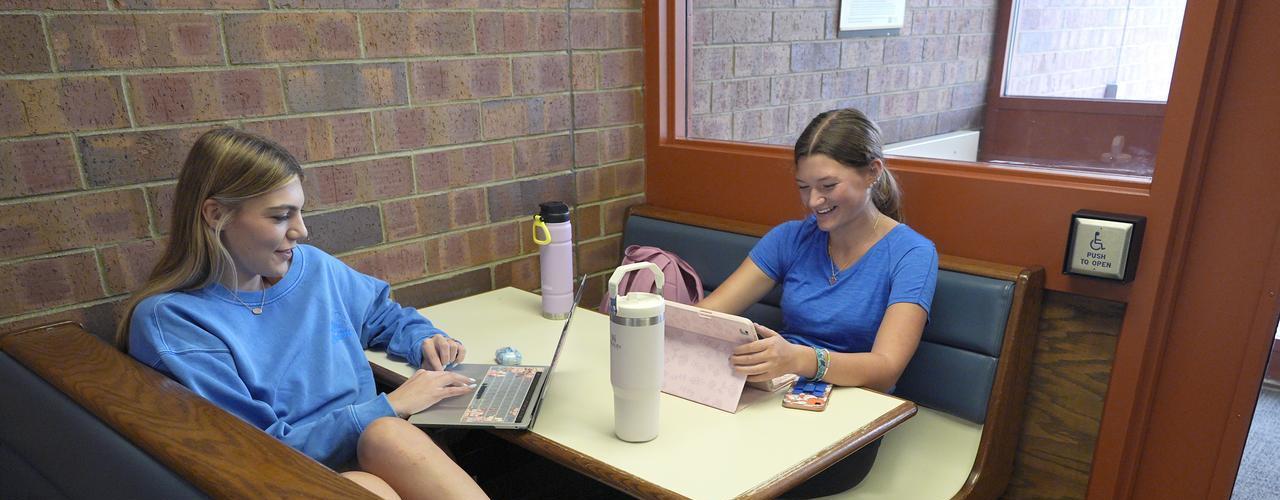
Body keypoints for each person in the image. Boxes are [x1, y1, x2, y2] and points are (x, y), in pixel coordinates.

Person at [116, 128, 488, 500]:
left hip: (369, 448)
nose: (302, 231)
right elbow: (256, 450)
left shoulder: (312, 268)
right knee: (368, 479)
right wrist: (391, 405)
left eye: (300, 212)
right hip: (278, 475)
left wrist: (423, 339)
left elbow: (381, 315)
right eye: (280, 216)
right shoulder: (173, 321)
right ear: (216, 215)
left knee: (387, 434)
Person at [698, 108, 938, 497]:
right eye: (803, 187)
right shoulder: (790, 238)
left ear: (872, 172)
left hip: (850, 427)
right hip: (776, 400)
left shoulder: (912, 254)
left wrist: (798, 358)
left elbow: (886, 370)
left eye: (827, 185)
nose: (813, 201)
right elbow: (709, 313)